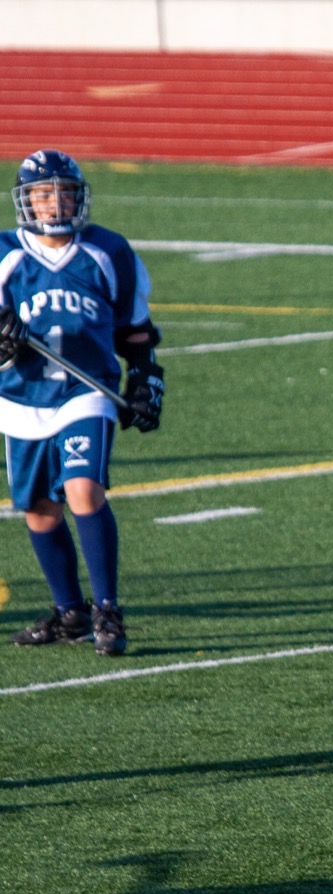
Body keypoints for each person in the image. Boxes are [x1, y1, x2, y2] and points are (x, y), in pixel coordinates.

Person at [2, 149, 165, 657]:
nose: (55, 203)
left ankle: (107, 609)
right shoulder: (5, 253)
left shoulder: (108, 251)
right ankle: (69, 611)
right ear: (26, 200)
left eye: (65, 192)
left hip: (86, 389)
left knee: (82, 490)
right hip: (21, 396)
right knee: (38, 509)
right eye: (44, 194)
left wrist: (144, 377)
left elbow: (134, 329)